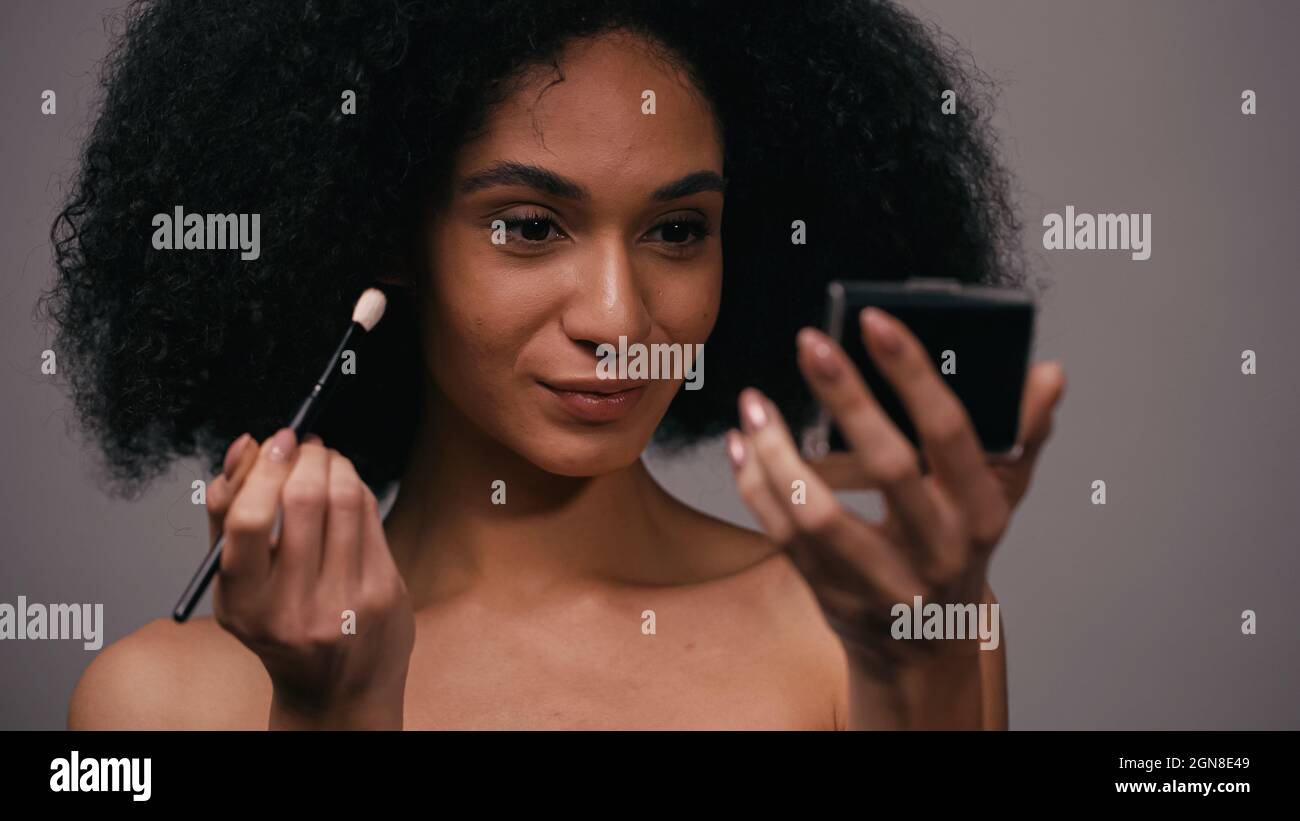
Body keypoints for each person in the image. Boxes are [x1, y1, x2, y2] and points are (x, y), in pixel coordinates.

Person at [47, 0, 1065, 729]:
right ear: (386, 234)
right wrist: (332, 709)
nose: (619, 316)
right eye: (530, 225)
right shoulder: (164, 701)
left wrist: (920, 676)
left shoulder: (866, 632)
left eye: (676, 229)